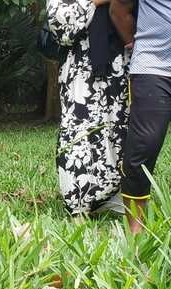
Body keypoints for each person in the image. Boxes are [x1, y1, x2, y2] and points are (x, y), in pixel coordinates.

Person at [47, 0, 130, 217]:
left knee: (121, 130)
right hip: (80, 67)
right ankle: (79, 203)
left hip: (123, 62)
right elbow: (60, 28)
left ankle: (118, 197)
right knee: (79, 133)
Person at [110, 0, 171, 233]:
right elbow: (119, 9)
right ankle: (135, 230)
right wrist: (134, 44)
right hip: (153, 65)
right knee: (143, 146)